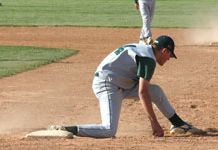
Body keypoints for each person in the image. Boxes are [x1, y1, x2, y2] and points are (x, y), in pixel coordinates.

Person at [48, 35, 202, 138]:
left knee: (156, 91)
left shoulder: (145, 50)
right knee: (109, 130)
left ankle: (178, 124)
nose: (169, 59)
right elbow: (142, 93)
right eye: (170, 55)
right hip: (107, 84)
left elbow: (145, 90)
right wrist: (154, 122)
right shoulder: (148, 59)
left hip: (120, 82)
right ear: (164, 50)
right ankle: (66, 129)